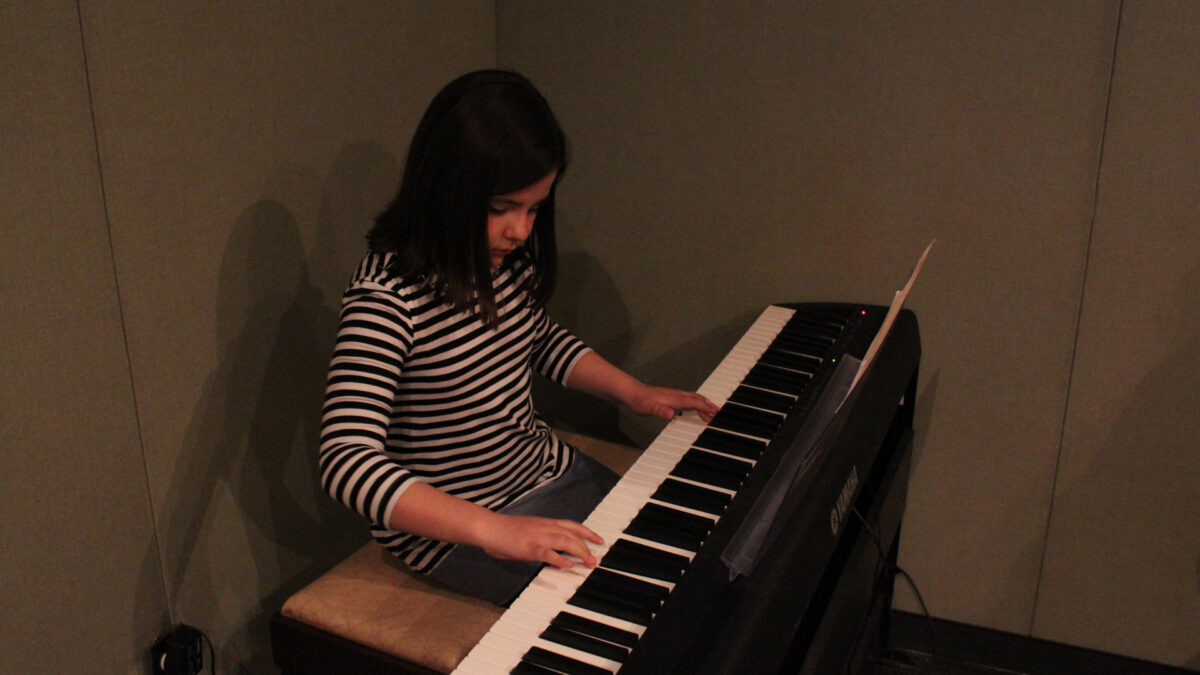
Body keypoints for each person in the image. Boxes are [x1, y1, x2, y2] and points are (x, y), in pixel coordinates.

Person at [319, 69, 718, 605]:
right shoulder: (387, 299)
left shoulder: (500, 262)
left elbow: (538, 339)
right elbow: (346, 458)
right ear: (444, 189)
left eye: (534, 208)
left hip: (545, 469)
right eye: (500, 209)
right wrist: (493, 530)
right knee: (640, 603)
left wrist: (635, 393)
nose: (521, 230)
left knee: (692, 542)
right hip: (461, 527)